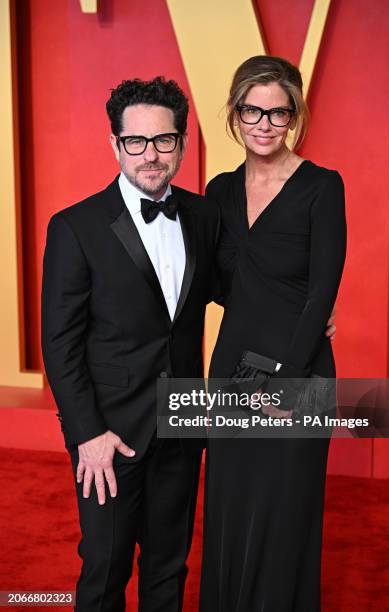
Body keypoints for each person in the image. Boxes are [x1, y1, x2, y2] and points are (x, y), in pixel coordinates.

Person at [41, 76, 220, 612]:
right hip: (109, 436)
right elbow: (61, 343)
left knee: (169, 570)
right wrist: (87, 434)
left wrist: (308, 310)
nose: (151, 155)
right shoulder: (75, 226)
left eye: (164, 140)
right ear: (115, 144)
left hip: (182, 427)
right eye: (135, 142)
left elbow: (235, 290)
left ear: (182, 143)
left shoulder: (205, 217)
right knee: (105, 569)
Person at [199, 56, 347, 611]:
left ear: (294, 116)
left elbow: (321, 294)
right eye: (252, 110)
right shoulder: (218, 192)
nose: (263, 122)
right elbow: (214, 283)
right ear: (236, 114)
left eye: (277, 112)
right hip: (233, 366)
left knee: (286, 514)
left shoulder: (322, 188)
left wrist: (287, 375)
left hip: (298, 370)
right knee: (230, 507)